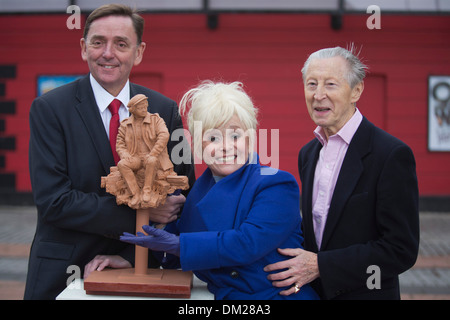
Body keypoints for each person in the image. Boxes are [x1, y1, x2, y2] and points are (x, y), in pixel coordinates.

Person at [25, 4, 194, 299]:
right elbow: (54, 201)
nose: (107, 53)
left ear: (138, 52)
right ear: (83, 47)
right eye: (98, 42)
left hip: (141, 264)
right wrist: (142, 211)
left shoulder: (166, 110)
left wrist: (131, 256)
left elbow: (183, 194)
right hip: (64, 271)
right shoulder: (49, 109)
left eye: (121, 44)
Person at [120, 81, 319, 300]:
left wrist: (181, 245)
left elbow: (246, 244)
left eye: (235, 136)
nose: (225, 146)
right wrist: (130, 259)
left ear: (250, 139)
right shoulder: (198, 193)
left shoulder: (276, 185)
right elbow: (174, 257)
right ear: (198, 145)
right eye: (213, 138)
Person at [264, 46, 420, 299]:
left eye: (331, 84)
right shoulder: (309, 154)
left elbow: (401, 249)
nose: (318, 94)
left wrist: (320, 265)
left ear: (356, 91)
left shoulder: (390, 155)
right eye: (311, 84)